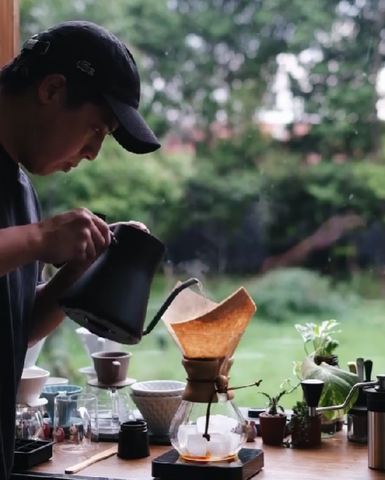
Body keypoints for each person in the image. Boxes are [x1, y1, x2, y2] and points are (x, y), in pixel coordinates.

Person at [0, 20, 161, 478]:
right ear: (52, 90)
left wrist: (78, 269)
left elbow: (20, 326)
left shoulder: (19, 187)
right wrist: (42, 239)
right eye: (96, 128)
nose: (93, 152)